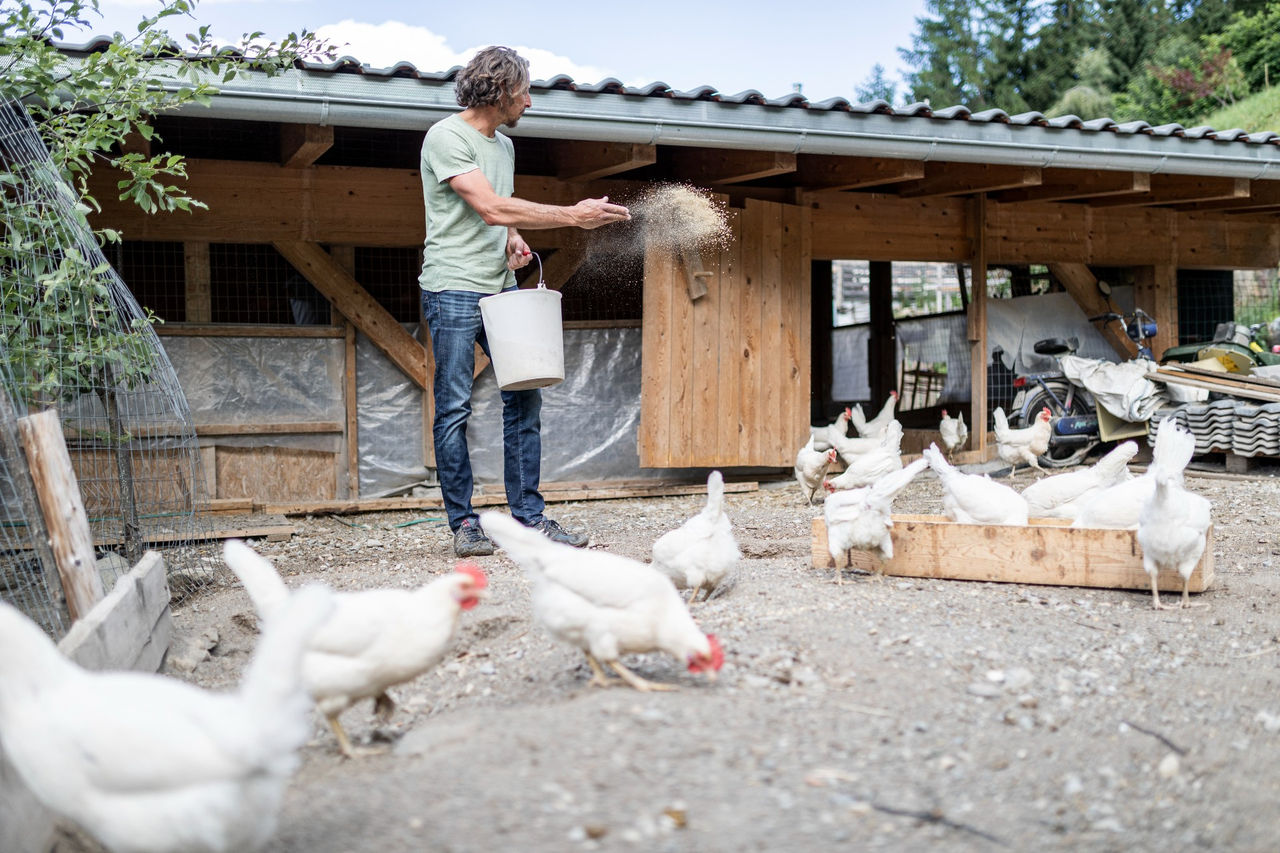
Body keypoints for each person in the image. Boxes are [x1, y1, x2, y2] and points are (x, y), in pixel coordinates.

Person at [419, 45, 631, 558]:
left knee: (525, 395)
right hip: (451, 287)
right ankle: (464, 524)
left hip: (500, 286)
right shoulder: (446, 137)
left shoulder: (505, 147)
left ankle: (529, 518)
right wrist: (572, 216)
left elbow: (500, 213)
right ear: (500, 91)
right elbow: (488, 206)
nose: (530, 102)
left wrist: (513, 237)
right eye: (525, 92)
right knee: (453, 407)